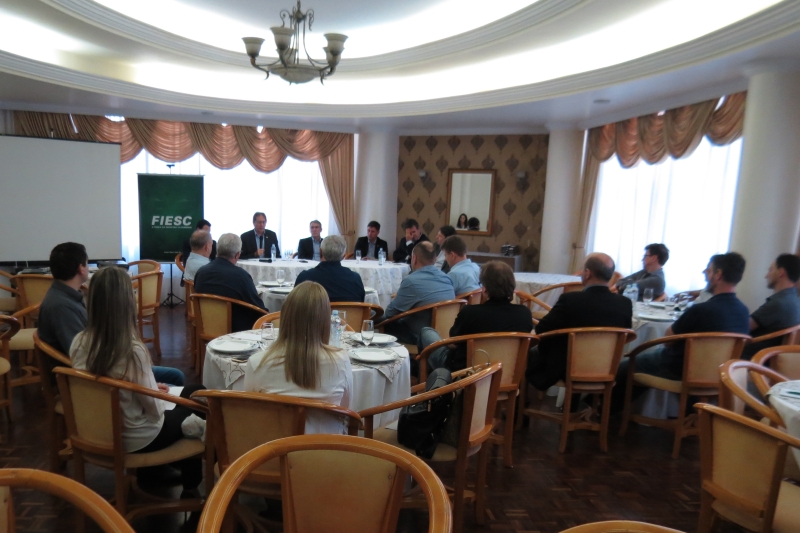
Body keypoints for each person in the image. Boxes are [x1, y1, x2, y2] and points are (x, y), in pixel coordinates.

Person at [69, 267, 205, 492]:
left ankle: (156, 474)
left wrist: (150, 388)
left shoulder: (79, 342)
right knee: (198, 397)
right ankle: (191, 489)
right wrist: (156, 394)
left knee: (185, 393)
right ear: (126, 303)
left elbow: (108, 387)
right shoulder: (131, 350)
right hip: (138, 439)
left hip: (97, 431)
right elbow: (153, 411)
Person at [37, 242, 185, 386]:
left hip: (100, 367)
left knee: (171, 375)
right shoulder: (62, 306)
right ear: (81, 268)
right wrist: (137, 379)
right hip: (89, 380)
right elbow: (81, 357)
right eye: (87, 263)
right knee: (175, 377)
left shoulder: (63, 296)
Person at [618, 252, 750, 385]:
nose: (705, 274)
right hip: (721, 376)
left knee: (624, 367)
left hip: (680, 370)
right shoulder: (744, 312)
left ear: (718, 275)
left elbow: (668, 340)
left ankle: (609, 405)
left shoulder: (701, 309)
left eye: (709, 271)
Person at [244, 282, 353, 435]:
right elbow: (346, 410)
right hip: (327, 452)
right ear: (324, 321)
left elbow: (251, 415)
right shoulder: (340, 361)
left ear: (286, 316)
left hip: (275, 451)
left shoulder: (257, 363)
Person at [526, 253, 632, 392]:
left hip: (568, 368)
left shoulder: (570, 300)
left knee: (528, 353)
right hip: (606, 369)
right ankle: (579, 408)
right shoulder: (625, 303)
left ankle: (522, 407)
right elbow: (625, 335)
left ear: (587, 273)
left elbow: (541, 329)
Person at [419, 261, 534, 371]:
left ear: (485, 288)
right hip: (507, 374)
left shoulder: (470, 313)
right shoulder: (524, 314)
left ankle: (430, 382)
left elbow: (453, 340)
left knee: (426, 332)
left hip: (465, 373)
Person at [379, 242, 455, 346]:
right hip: (445, 334)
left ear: (414, 258)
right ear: (435, 259)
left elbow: (390, 313)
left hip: (420, 337)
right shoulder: (447, 279)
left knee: (383, 323)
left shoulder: (411, 281)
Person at [194, 233, 267, 332]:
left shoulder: (201, 272)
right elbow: (258, 310)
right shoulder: (241, 276)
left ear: (217, 250)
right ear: (237, 254)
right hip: (236, 333)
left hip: (206, 328)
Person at [743, 253, 800, 359]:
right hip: (774, 361)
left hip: (753, 360)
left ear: (781, 272)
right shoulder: (796, 301)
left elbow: (743, 327)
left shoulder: (779, 303)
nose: (766, 275)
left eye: (770, 270)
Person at [294, 235, 365, 303]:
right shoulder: (355, 279)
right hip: (348, 315)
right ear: (343, 256)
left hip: (315, 315)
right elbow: (361, 302)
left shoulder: (305, 277)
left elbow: (295, 304)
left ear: (320, 252)